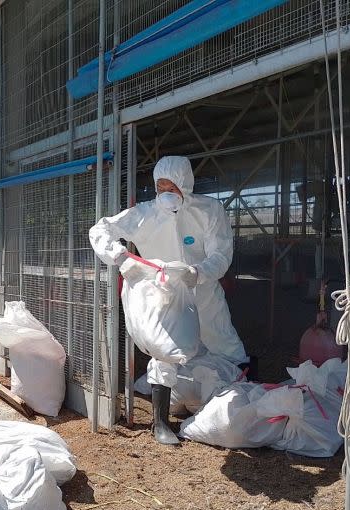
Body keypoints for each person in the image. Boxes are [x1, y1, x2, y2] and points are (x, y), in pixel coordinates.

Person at [89, 155, 247, 444]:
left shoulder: (209, 210)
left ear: (185, 184)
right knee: (167, 353)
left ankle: (225, 413)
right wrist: (120, 256)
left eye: (171, 186)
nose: (165, 191)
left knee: (226, 348)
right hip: (164, 298)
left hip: (204, 295)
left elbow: (221, 255)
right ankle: (160, 422)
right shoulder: (145, 213)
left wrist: (198, 272)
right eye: (160, 185)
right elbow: (100, 229)